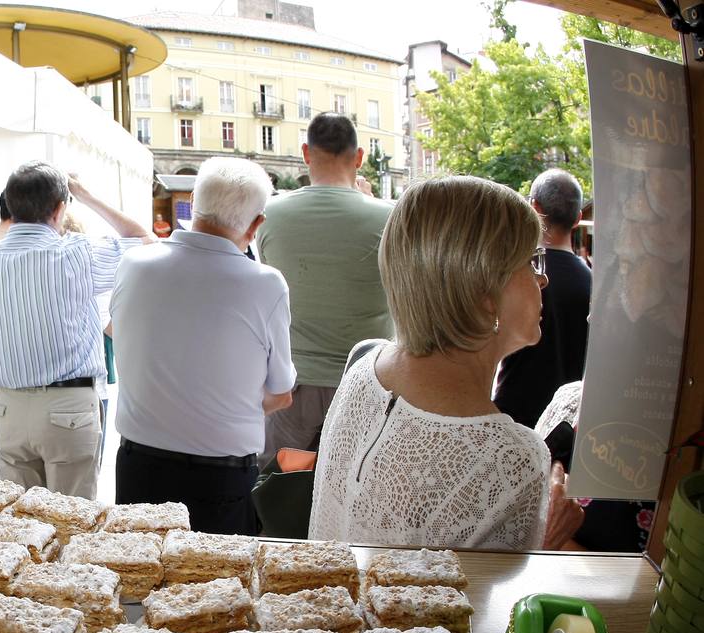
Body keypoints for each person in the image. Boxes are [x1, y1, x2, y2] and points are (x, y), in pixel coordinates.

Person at [308, 176, 585, 551]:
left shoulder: (365, 366)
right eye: (532, 262)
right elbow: (477, 606)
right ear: (486, 294)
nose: (544, 278)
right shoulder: (511, 459)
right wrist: (548, 541)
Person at [110, 157, 294, 534]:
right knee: (220, 587)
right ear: (257, 224)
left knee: (139, 583)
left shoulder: (134, 264)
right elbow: (281, 394)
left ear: (193, 200)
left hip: (138, 467)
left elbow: (118, 332)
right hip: (220, 479)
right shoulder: (265, 285)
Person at [0, 162, 151, 499]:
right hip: (68, 408)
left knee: (23, 527)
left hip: (7, 409)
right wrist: (86, 195)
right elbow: (145, 241)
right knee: (72, 525)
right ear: (60, 208)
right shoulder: (77, 254)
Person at [254, 112, 394, 469]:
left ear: (306, 153)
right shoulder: (391, 218)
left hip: (292, 389)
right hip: (367, 387)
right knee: (354, 490)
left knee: (281, 492)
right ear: (359, 157)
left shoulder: (270, 214)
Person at [493, 169, 592, 428]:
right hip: (566, 426)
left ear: (534, 207)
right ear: (577, 218)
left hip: (514, 418)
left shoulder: (514, 275)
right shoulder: (594, 283)